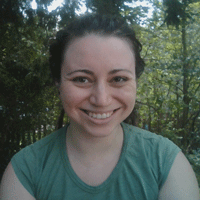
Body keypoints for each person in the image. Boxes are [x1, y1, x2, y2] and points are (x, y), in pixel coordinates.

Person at [0, 14, 199, 200]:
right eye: (82, 79)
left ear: (136, 82)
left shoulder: (166, 163)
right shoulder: (25, 171)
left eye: (119, 79)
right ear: (58, 83)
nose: (101, 99)